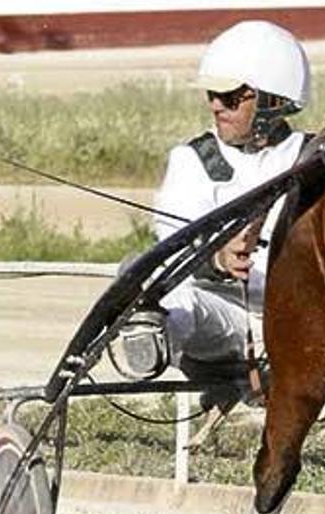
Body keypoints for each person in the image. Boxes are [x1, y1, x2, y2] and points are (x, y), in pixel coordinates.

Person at [116, 20, 311, 384]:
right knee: (170, 292)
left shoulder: (315, 157)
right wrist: (218, 259)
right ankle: (147, 333)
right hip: (224, 316)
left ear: (275, 99)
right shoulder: (192, 160)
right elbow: (172, 248)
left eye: (231, 96)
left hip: (304, 322)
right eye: (211, 95)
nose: (216, 106)